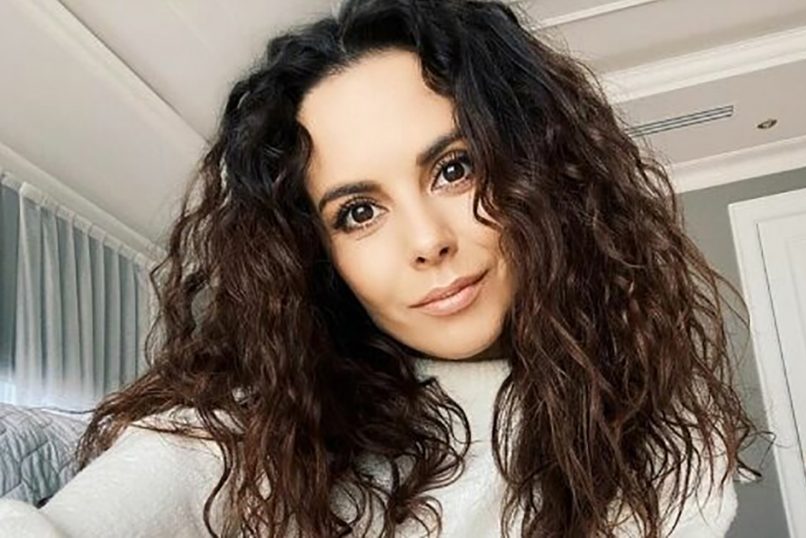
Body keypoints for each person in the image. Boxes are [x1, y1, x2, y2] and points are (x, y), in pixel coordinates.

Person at [0, 0, 765, 536]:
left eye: (455, 169)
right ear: (317, 253)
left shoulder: (666, 438)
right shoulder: (250, 428)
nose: (426, 241)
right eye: (358, 212)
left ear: (540, 172)